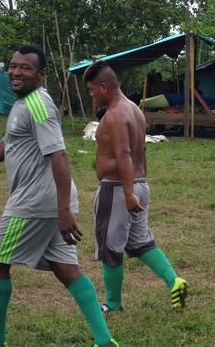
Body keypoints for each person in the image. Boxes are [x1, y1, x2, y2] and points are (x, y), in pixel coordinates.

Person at [0, 46, 118, 347]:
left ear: (41, 75)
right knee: (67, 269)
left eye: (25, 68)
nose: (16, 72)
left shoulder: (38, 105)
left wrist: (62, 210)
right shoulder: (24, 103)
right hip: (49, 203)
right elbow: (8, 144)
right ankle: (105, 342)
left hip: (36, 203)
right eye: (13, 66)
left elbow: (59, 155)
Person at [83, 61, 188, 313]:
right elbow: (141, 151)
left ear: (104, 87)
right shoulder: (134, 109)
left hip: (118, 189)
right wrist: (140, 186)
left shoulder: (116, 114)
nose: (91, 95)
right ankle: (175, 281)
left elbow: (125, 154)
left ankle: (113, 304)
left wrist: (128, 193)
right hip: (139, 184)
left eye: (92, 90)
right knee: (140, 242)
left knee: (110, 247)